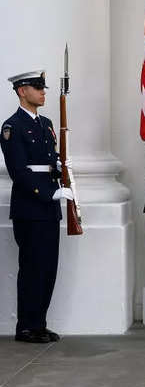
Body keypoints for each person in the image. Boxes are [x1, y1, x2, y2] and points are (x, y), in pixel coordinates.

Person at [1, 70, 73, 343]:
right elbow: (18, 170)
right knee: (32, 267)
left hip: (47, 207)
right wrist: (49, 192)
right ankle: (27, 326)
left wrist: (59, 166)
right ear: (22, 91)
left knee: (48, 267)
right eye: (37, 87)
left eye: (43, 88)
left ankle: (39, 323)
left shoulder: (46, 123)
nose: (43, 92)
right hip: (30, 206)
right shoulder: (12, 126)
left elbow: (50, 157)